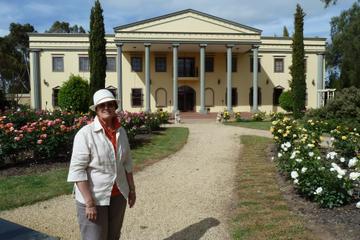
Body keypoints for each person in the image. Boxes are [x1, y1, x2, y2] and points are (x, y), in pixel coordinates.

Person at [67, 89, 136, 240]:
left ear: (114, 107)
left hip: (118, 195)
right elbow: (78, 170)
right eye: (101, 105)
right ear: (96, 110)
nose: (106, 107)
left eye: (110, 104)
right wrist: (89, 203)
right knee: (95, 238)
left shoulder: (121, 132)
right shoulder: (85, 134)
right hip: (94, 197)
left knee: (113, 236)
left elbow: (127, 162)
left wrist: (131, 189)